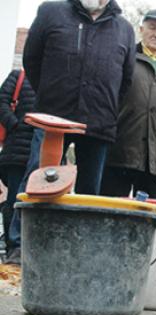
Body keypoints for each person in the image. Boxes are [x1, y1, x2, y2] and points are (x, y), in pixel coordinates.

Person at [6, 0, 136, 265]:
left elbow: (125, 79)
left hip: (98, 121)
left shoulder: (124, 28)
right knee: (37, 180)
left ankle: (80, 252)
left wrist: (103, 102)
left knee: (91, 190)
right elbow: (32, 59)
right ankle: (21, 246)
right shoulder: (51, 11)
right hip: (53, 115)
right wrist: (52, 95)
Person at [101, 9, 156, 199]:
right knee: (111, 208)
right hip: (121, 149)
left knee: (146, 217)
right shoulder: (125, 59)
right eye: (152, 28)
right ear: (141, 29)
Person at [0, 70, 35, 265]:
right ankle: (13, 246)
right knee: (15, 198)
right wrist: (15, 125)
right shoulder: (19, 76)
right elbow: (2, 102)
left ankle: (26, 247)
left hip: (45, 152)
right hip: (17, 151)